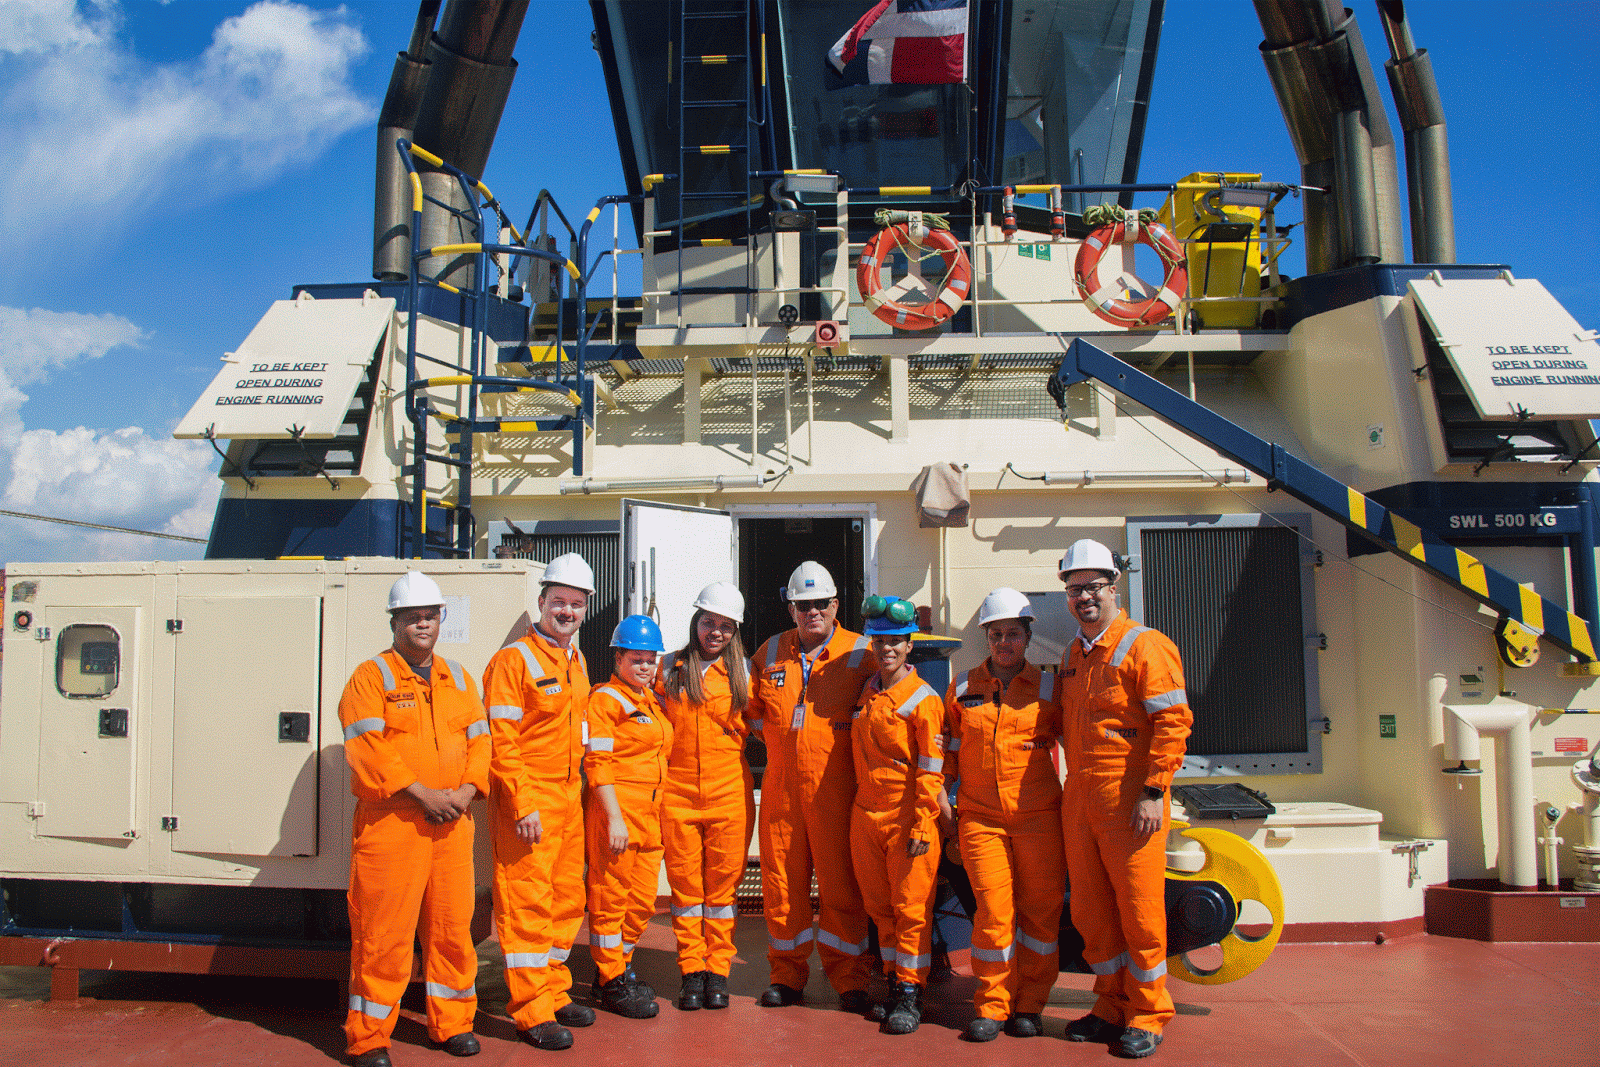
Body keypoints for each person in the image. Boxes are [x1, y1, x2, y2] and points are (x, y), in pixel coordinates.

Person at [338, 571, 488, 1066]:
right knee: (383, 937)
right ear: (394, 622)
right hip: (393, 824)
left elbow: (481, 742)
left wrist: (465, 792)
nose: (422, 624)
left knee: (452, 931)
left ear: (441, 620)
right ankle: (368, 1039)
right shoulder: (371, 677)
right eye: (411, 617)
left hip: (452, 824)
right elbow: (367, 747)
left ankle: (453, 1025)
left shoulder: (459, 677)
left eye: (430, 616)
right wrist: (423, 794)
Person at [1056, 540, 1192, 1059]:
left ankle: (1148, 1013)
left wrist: (1154, 790)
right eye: (1075, 589)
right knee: (1091, 912)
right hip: (1081, 798)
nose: (1084, 597)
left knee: (1139, 910)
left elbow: (1173, 722)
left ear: (1114, 587)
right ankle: (1110, 1005)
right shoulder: (1072, 655)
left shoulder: (1145, 645)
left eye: (1093, 586)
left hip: (1132, 800)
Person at [746, 562, 876, 1011]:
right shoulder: (769, 652)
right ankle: (786, 976)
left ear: (835, 605)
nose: (812, 612)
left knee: (842, 888)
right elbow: (750, 711)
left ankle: (850, 979)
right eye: (803, 605)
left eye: (820, 603)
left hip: (835, 792)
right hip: (781, 793)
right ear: (791, 609)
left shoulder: (861, 652)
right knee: (782, 886)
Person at [482, 553, 596, 1051]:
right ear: (542, 601)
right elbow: (501, 740)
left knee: (566, 901)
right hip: (529, 802)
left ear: (585, 608)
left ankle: (553, 992)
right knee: (527, 904)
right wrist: (523, 803)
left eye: (576, 604)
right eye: (559, 602)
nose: (567, 611)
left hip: (569, 798)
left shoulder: (576, 661)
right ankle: (531, 1012)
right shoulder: (513, 661)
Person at [943, 587, 1064, 1042]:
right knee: (993, 913)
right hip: (980, 820)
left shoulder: (1051, 689)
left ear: (1028, 637)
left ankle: (1030, 1005)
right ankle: (992, 1005)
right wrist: (942, 797)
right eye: (996, 634)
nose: (1004, 643)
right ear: (986, 638)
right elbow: (949, 751)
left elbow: (1079, 744)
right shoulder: (961, 687)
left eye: (1013, 633)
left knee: (1040, 914)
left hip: (1039, 818)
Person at [848, 595, 946, 1035]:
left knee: (911, 910)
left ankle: (910, 992)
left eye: (895, 642)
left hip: (908, 818)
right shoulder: (869, 690)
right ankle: (892, 982)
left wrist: (924, 823)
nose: (886, 648)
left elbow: (932, 769)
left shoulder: (923, 700)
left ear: (909, 646)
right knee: (880, 909)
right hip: (867, 815)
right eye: (879, 641)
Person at [657, 582, 755, 1012]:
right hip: (677, 794)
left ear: (735, 631)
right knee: (686, 891)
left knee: (721, 893)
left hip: (728, 794)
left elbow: (768, 723)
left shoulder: (745, 673)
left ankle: (718, 973)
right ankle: (691, 971)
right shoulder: (667, 668)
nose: (715, 631)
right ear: (696, 621)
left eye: (725, 626)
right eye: (709, 622)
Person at [584, 615, 671, 1020]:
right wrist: (613, 818)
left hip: (649, 816)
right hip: (617, 814)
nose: (645, 667)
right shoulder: (606, 700)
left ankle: (619, 966)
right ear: (618, 658)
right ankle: (611, 980)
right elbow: (597, 761)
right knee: (610, 898)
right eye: (637, 659)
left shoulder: (649, 701)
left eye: (651, 660)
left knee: (641, 901)